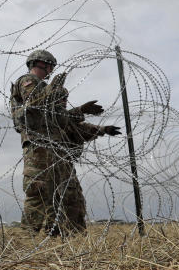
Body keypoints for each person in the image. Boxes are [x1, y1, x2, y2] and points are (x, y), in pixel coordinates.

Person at [11, 49, 106, 235]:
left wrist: (80, 110)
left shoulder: (43, 86)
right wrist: (51, 90)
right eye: (50, 66)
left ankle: (60, 232)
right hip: (40, 147)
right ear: (40, 64)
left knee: (65, 192)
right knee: (39, 191)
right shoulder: (27, 81)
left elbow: (58, 119)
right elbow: (35, 109)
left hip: (56, 147)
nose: (51, 71)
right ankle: (27, 238)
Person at [47, 73, 120, 232]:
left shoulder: (66, 118)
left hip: (65, 161)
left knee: (74, 198)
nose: (63, 101)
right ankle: (49, 232)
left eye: (65, 98)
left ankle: (74, 232)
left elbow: (81, 128)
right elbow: (54, 116)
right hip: (49, 162)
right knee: (52, 200)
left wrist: (103, 129)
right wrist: (80, 109)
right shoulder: (46, 116)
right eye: (59, 97)